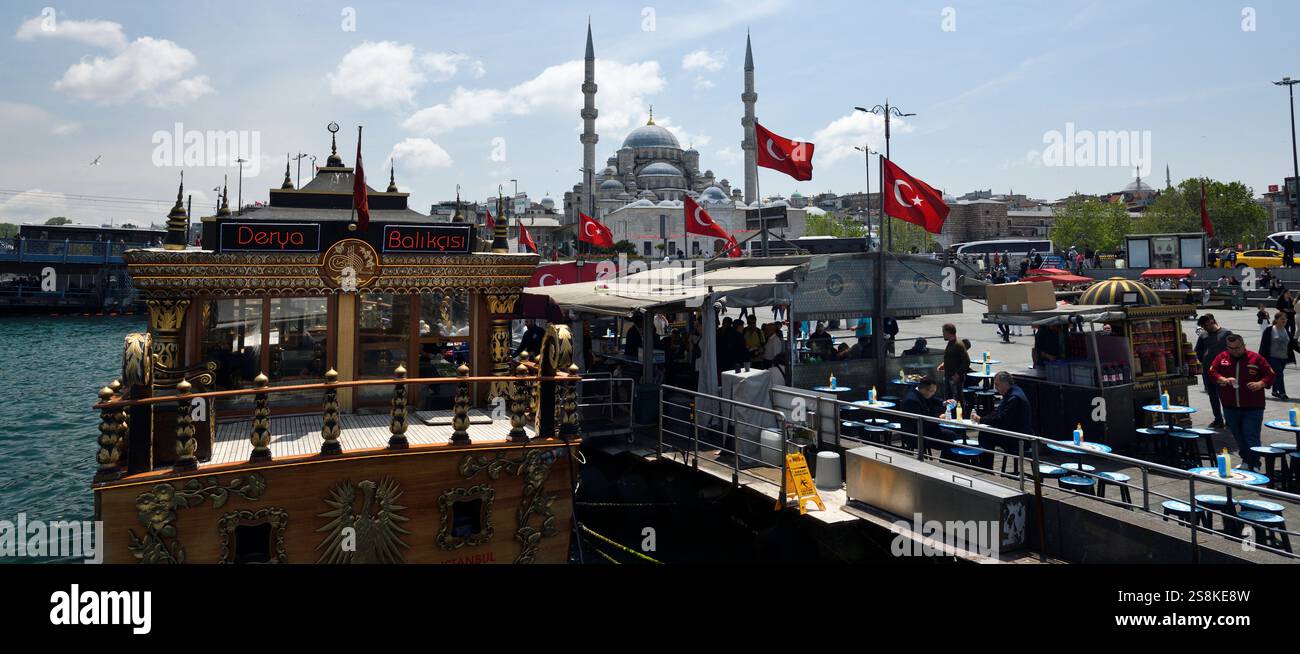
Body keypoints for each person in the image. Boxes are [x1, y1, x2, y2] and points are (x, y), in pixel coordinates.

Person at [1208, 333, 1274, 470]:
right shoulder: (1222, 358)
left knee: (1251, 436)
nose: (1235, 351)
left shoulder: (1256, 358)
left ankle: (1254, 464)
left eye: (1238, 347)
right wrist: (1222, 379)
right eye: (1231, 348)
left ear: (1244, 345)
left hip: (1253, 407)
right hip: (1230, 406)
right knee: (1238, 436)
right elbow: (1212, 371)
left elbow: (1271, 375)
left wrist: (1261, 383)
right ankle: (1245, 460)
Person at [970, 371, 1034, 468]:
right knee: (986, 432)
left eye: (997, 385)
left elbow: (1001, 420)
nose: (996, 388)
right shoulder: (1013, 392)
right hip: (1016, 432)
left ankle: (986, 467)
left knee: (985, 435)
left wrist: (981, 420)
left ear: (1005, 383)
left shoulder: (1014, 398)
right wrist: (982, 419)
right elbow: (997, 413)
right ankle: (985, 466)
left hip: (1019, 438)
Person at [898, 376, 965, 451]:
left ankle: (950, 456)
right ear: (923, 389)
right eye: (931, 391)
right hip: (916, 434)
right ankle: (949, 458)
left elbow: (932, 399)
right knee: (951, 436)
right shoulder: (911, 401)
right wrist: (938, 419)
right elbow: (921, 422)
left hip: (926, 429)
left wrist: (944, 402)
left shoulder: (921, 393)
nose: (933, 394)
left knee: (957, 433)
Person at [1194, 314, 1232, 429]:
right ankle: (1218, 419)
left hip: (1223, 371)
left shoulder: (1226, 333)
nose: (1205, 328)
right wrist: (1204, 361)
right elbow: (1198, 351)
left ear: (1212, 321)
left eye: (1206, 325)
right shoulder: (1203, 335)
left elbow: (1234, 349)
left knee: (1225, 396)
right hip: (1208, 371)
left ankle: (1229, 420)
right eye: (1203, 326)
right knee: (1212, 396)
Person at [1260, 312, 1300, 401]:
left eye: (1285, 319)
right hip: (1272, 357)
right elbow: (1263, 345)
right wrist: (1261, 359)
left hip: (1284, 358)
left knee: (1276, 375)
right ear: (1276, 319)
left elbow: (1293, 345)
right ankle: (1282, 393)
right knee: (1279, 374)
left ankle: (1275, 391)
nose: (1284, 320)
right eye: (1282, 319)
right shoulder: (1269, 330)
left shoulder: (1287, 331)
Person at [936, 323, 969, 401]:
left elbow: (966, 361)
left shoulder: (958, 344)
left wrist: (957, 374)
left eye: (943, 332)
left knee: (957, 399)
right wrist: (944, 364)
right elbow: (953, 357)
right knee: (949, 399)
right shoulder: (950, 343)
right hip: (948, 375)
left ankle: (960, 413)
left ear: (948, 332)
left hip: (954, 378)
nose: (943, 334)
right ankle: (950, 413)